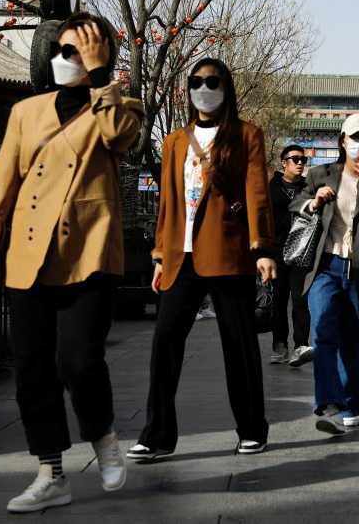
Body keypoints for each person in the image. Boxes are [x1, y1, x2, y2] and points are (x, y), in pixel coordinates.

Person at [0, 12, 144, 512]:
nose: (71, 60)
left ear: (101, 56)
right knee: (33, 369)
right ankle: (51, 473)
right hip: (26, 252)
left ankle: (104, 439)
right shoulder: (26, 111)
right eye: (64, 51)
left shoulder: (120, 105)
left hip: (88, 252)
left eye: (81, 51)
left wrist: (103, 76)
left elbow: (119, 137)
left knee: (79, 360)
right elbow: (3, 177)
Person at [128, 57, 276, 460]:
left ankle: (252, 429)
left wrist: (262, 249)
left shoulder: (247, 135)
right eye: (196, 81)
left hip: (228, 254)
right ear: (188, 89)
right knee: (165, 343)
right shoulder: (175, 141)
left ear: (225, 88)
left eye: (212, 81)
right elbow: (168, 203)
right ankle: (156, 434)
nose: (204, 88)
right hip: (181, 256)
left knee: (239, 345)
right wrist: (159, 254)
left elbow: (257, 194)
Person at [290, 113, 359, 434]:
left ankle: (350, 407)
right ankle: (328, 404)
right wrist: (315, 201)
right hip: (326, 267)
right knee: (323, 331)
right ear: (342, 141)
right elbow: (297, 204)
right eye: (355, 138)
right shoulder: (321, 174)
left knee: (353, 342)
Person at [268, 144, 313, 366]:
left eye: (303, 159)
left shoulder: (309, 187)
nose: (300, 163)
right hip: (276, 251)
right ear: (283, 162)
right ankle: (279, 346)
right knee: (278, 300)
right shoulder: (271, 188)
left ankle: (300, 346)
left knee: (300, 301)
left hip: (302, 252)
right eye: (294, 159)